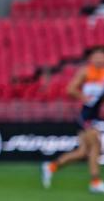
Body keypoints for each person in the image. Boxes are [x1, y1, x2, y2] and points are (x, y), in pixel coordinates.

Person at [42, 47, 104, 193]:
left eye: (102, 57)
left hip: (95, 116)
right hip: (86, 116)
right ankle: (95, 182)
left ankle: (51, 167)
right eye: (97, 57)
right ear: (91, 58)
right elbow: (70, 89)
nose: (99, 59)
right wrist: (84, 97)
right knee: (95, 145)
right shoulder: (86, 72)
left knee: (82, 153)